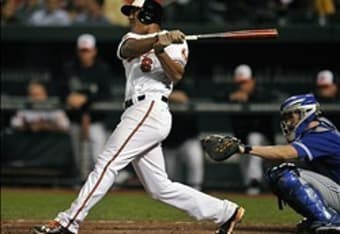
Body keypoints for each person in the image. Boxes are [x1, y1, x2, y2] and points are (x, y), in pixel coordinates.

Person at [32, 1, 245, 234]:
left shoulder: (177, 42)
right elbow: (127, 50)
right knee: (159, 187)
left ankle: (68, 221)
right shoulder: (130, 39)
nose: (130, 17)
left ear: (148, 15)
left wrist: (163, 49)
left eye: (134, 12)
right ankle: (226, 212)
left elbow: (176, 75)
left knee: (107, 163)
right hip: (137, 110)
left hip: (151, 108)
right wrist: (156, 42)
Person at [205, 93, 340, 234]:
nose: (287, 122)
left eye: (291, 117)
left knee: (285, 175)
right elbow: (283, 156)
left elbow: (284, 153)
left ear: (305, 113)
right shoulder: (318, 128)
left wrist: (243, 149)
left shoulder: (321, 134)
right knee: (277, 174)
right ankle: (320, 217)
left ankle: (330, 220)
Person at [58, 33, 113, 181]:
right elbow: (60, 89)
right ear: (78, 51)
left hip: (96, 120)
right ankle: (83, 186)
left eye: (87, 50)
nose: (85, 54)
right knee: (80, 160)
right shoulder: (69, 68)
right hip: (75, 119)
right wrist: (69, 96)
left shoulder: (102, 69)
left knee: (98, 157)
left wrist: (86, 98)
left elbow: (106, 94)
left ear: (94, 51)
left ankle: (103, 185)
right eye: (82, 50)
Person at [229, 64, 279, 195]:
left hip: (267, 146)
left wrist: (250, 98)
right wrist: (230, 97)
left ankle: (255, 179)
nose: (242, 86)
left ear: (252, 81)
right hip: (243, 147)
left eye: (245, 82)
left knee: (254, 138)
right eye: (239, 83)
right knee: (250, 186)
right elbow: (217, 96)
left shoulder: (263, 94)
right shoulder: (232, 95)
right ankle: (253, 187)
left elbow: (275, 98)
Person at [163, 84, 204, 191]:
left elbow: (182, 97)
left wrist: (164, 95)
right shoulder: (158, 83)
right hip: (168, 140)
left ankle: (196, 191)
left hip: (188, 138)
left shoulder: (183, 84)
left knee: (195, 161)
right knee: (169, 178)